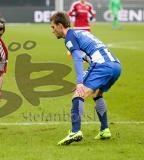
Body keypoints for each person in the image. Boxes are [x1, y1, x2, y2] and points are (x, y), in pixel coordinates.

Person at [50, 12, 121, 145]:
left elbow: (77, 58)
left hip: (102, 65)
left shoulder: (70, 37)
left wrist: (79, 83)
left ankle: (75, 131)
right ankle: (104, 130)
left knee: (78, 95)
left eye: (53, 27)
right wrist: (83, 77)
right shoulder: (80, 33)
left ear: (60, 26)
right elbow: (89, 57)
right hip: (116, 65)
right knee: (96, 93)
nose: (52, 31)